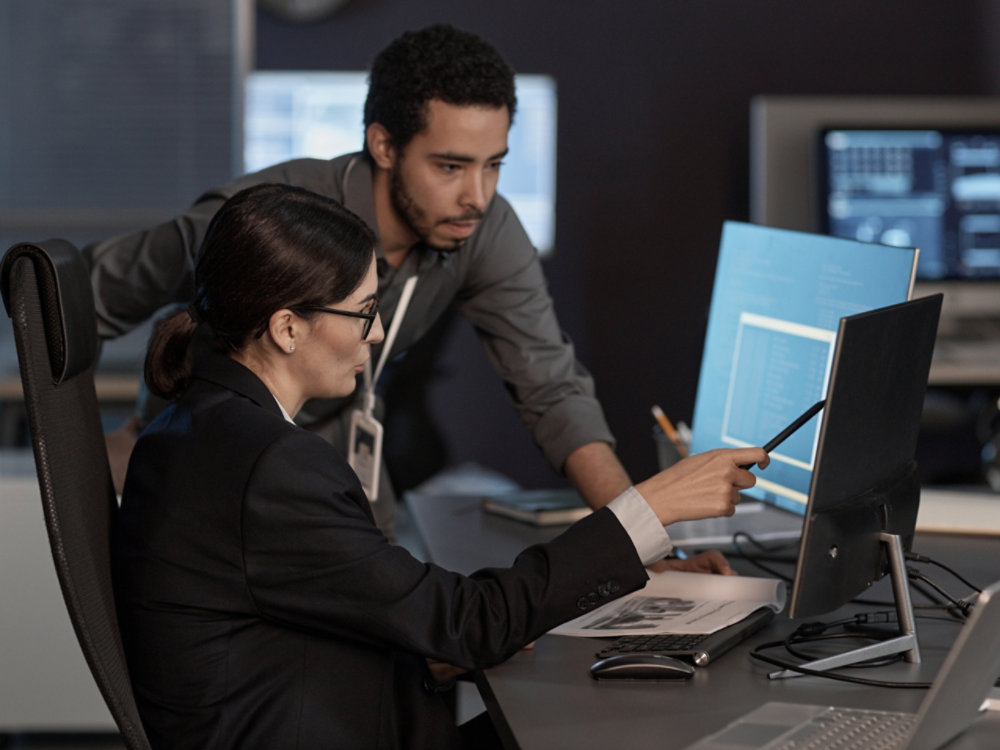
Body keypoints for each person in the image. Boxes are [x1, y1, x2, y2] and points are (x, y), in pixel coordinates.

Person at [114, 183, 768, 749]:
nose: (374, 335)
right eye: (364, 313)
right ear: (287, 328)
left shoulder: (198, 426)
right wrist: (652, 507)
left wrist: (438, 646)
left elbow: (331, 620)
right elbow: (470, 622)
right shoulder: (271, 468)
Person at [85, 24, 639, 536]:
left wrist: (640, 542)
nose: (479, 195)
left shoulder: (484, 229)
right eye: (450, 167)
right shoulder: (264, 219)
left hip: (337, 457)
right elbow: (80, 295)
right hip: (211, 468)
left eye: (493, 164)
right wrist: (78, 455)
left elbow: (551, 385)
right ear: (384, 146)